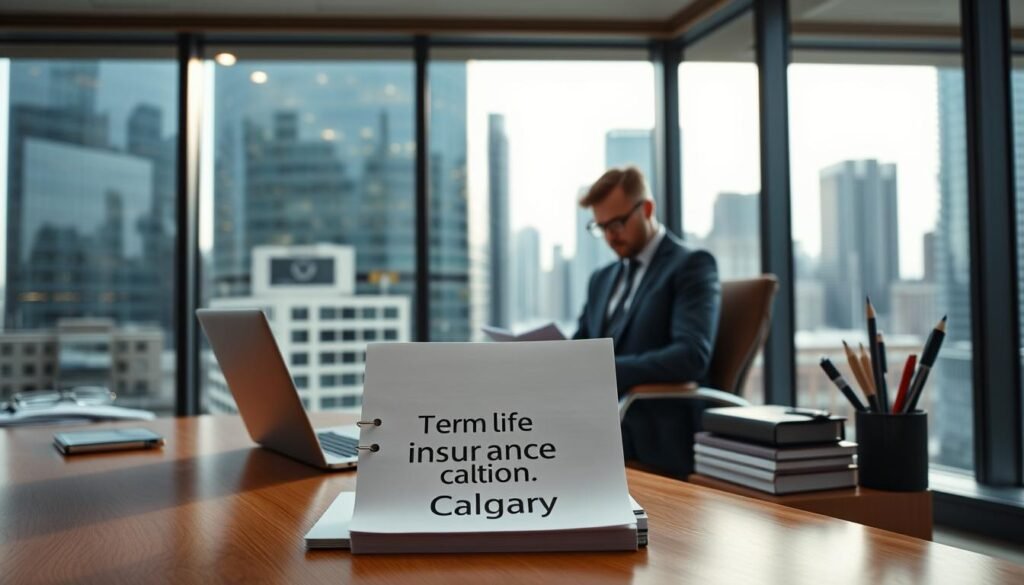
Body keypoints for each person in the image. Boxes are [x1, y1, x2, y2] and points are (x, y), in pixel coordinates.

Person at [573, 166, 721, 476]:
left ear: (647, 209)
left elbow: (690, 357)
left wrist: (607, 370)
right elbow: (580, 347)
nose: (611, 237)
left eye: (617, 223)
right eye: (601, 228)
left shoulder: (691, 266)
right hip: (605, 419)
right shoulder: (602, 279)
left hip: (654, 425)